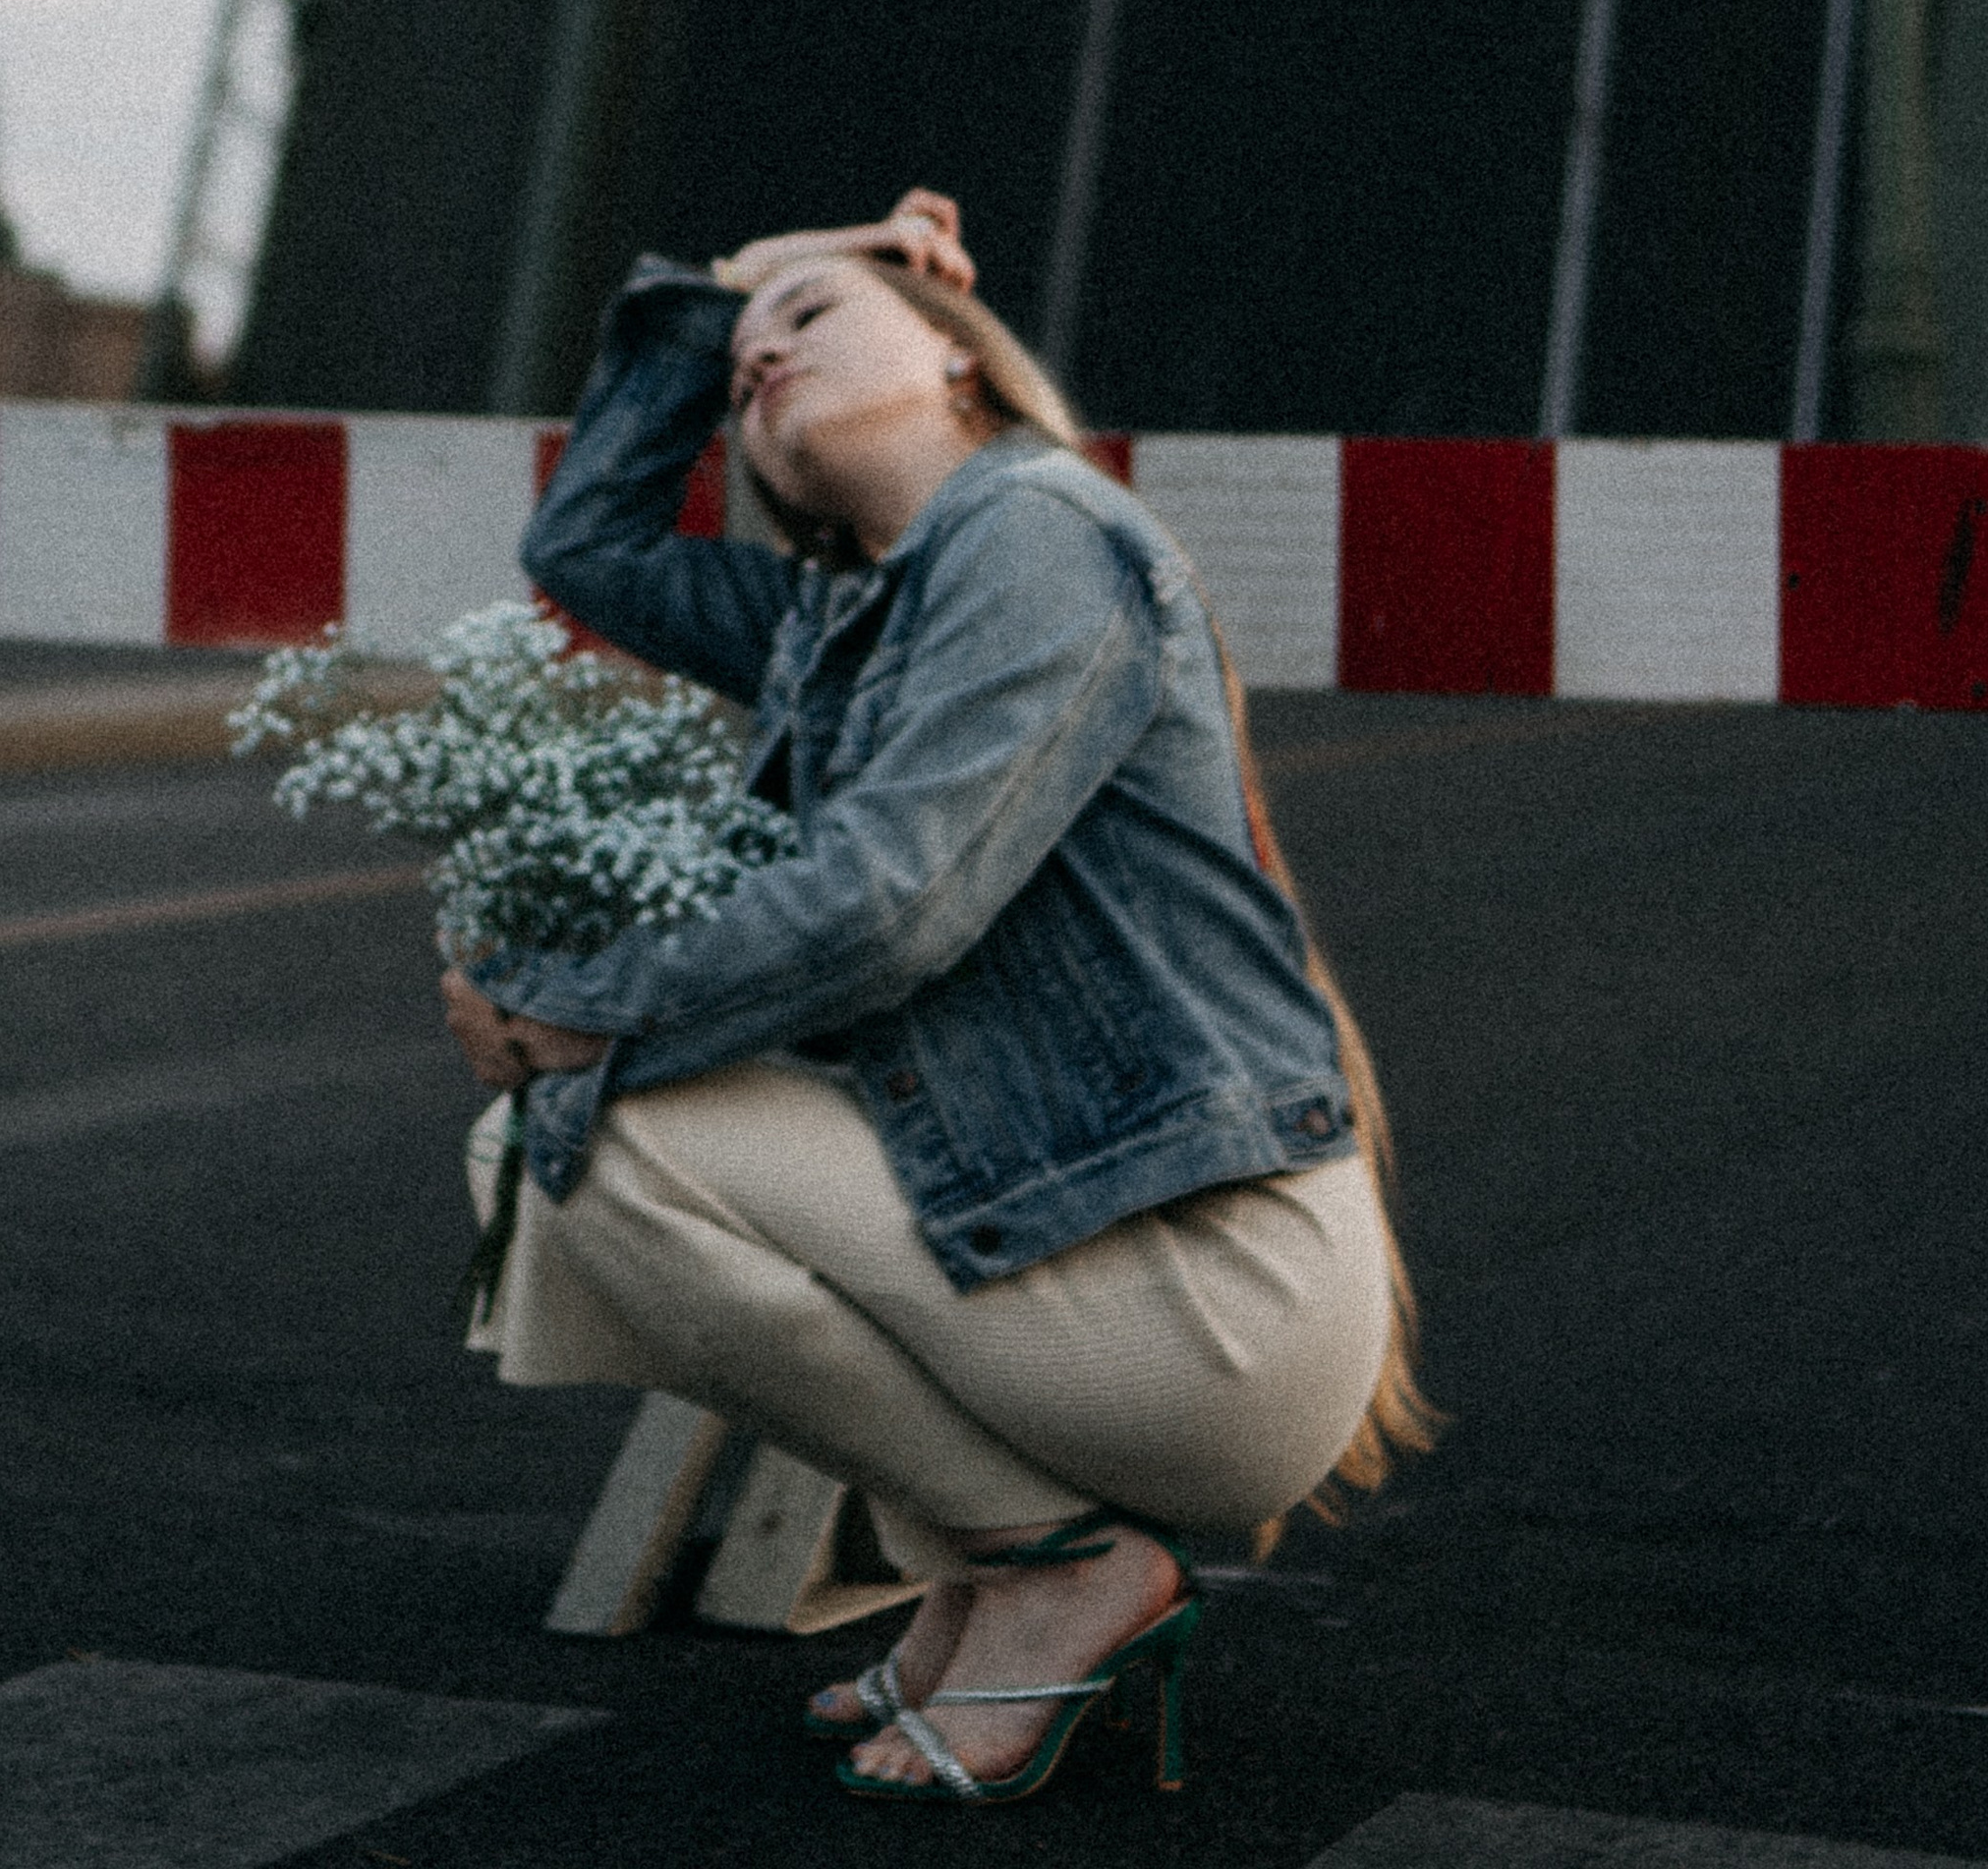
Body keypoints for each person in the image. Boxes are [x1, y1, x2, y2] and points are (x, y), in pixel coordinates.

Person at [441, 191, 1431, 1803]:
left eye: (815, 320)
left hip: (1212, 1294)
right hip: (1082, 1250)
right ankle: (999, 1571)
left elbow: (888, 908)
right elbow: (585, 550)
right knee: (539, 1151)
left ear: (961, 365)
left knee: (598, 1138)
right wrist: (732, 289)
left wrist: (576, 1008)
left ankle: (1056, 1567)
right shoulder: (845, 618)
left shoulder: (1039, 530)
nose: (762, 357)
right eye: (747, 353)